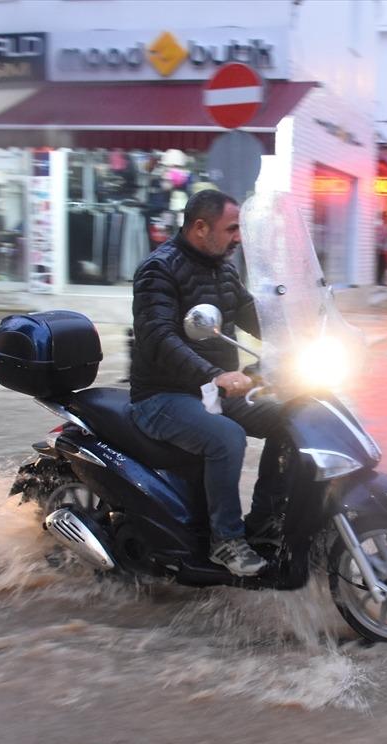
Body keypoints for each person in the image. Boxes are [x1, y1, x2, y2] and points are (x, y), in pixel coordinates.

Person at [128, 189, 285, 577]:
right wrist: (213, 374)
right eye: (232, 229)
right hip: (163, 396)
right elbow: (159, 338)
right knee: (226, 437)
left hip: (217, 388)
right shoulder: (158, 270)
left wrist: (304, 331)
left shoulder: (223, 269)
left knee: (295, 417)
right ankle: (226, 541)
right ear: (200, 228)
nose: (239, 238)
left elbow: (254, 317)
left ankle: (267, 520)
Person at [375, 211, 387, 286]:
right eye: (386, 218)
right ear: (383, 218)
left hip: (385, 250)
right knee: (380, 266)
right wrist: (381, 248)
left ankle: (382, 280)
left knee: (384, 266)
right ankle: (379, 280)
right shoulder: (381, 227)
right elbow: (380, 239)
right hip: (381, 250)